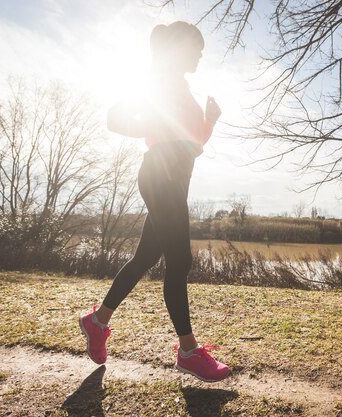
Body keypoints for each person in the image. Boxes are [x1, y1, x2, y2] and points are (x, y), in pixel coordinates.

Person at [78, 21, 230, 383]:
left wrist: (209, 121)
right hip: (160, 174)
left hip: (175, 178)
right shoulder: (160, 78)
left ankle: (97, 322)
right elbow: (116, 118)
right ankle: (189, 351)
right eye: (197, 47)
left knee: (146, 257)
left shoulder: (180, 87)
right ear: (179, 47)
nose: (200, 54)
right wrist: (153, 124)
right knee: (180, 260)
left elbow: (192, 143)